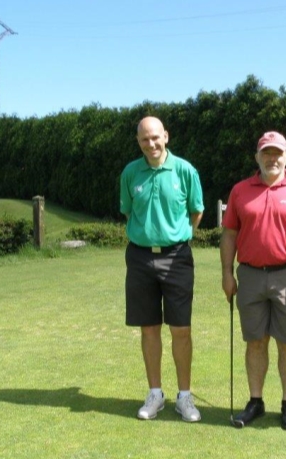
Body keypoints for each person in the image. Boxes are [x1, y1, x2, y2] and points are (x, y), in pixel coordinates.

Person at [220, 131, 286, 430]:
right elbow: (229, 234)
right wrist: (227, 272)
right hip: (250, 275)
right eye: (266, 152)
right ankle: (256, 401)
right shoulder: (240, 190)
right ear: (257, 157)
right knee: (255, 342)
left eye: (278, 153)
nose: (272, 158)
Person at [119, 116, 204, 423]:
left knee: (181, 329)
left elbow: (197, 211)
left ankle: (184, 396)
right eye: (144, 139)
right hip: (140, 258)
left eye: (155, 137)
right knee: (149, 327)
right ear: (139, 142)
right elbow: (128, 210)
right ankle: (155, 393)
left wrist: (173, 236)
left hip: (177, 256)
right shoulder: (130, 173)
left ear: (165, 136)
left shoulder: (184, 170)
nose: (151, 144)